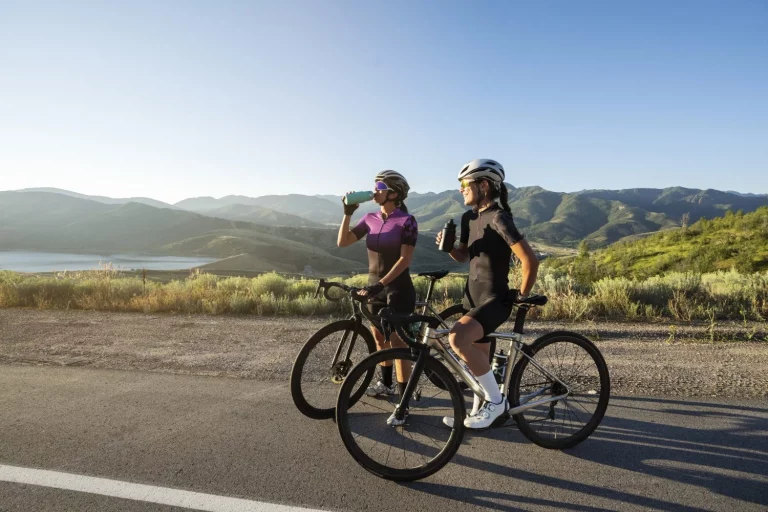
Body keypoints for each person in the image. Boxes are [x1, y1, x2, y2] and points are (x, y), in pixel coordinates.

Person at [436, 159, 539, 429]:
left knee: (457, 338)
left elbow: (530, 260)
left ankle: (497, 403)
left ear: (483, 185)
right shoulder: (468, 218)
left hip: (495, 299)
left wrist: (523, 295)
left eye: (464, 184)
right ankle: (478, 412)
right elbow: (462, 257)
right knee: (477, 360)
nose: (460, 189)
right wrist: (447, 247)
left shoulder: (498, 217)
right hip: (472, 297)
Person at [337, 170, 419, 425]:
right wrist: (348, 213)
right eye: (375, 185)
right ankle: (385, 385)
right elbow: (343, 242)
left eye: (380, 186)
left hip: (398, 288)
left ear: (393, 193)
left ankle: (403, 402)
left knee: (397, 344)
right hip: (374, 286)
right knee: (379, 337)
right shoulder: (370, 217)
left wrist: (381, 284)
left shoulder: (407, 220)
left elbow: (405, 260)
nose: (375, 190)